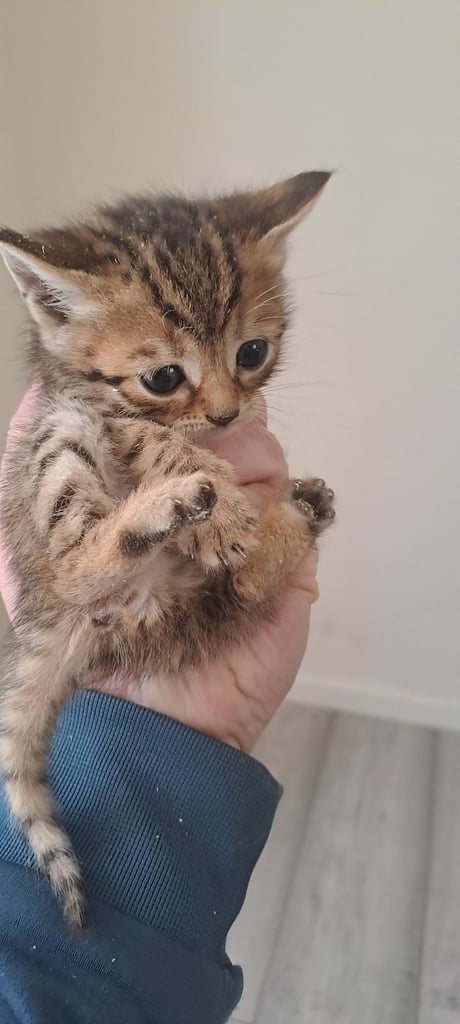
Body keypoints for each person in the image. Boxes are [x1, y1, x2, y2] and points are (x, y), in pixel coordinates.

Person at [0, 391, 319, 1024]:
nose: (223, 402)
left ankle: (157, 561)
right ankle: (106, 559)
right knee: (67, 427)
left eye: (253, 355)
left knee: (207, 600)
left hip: (133, 615)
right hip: (98, 589)